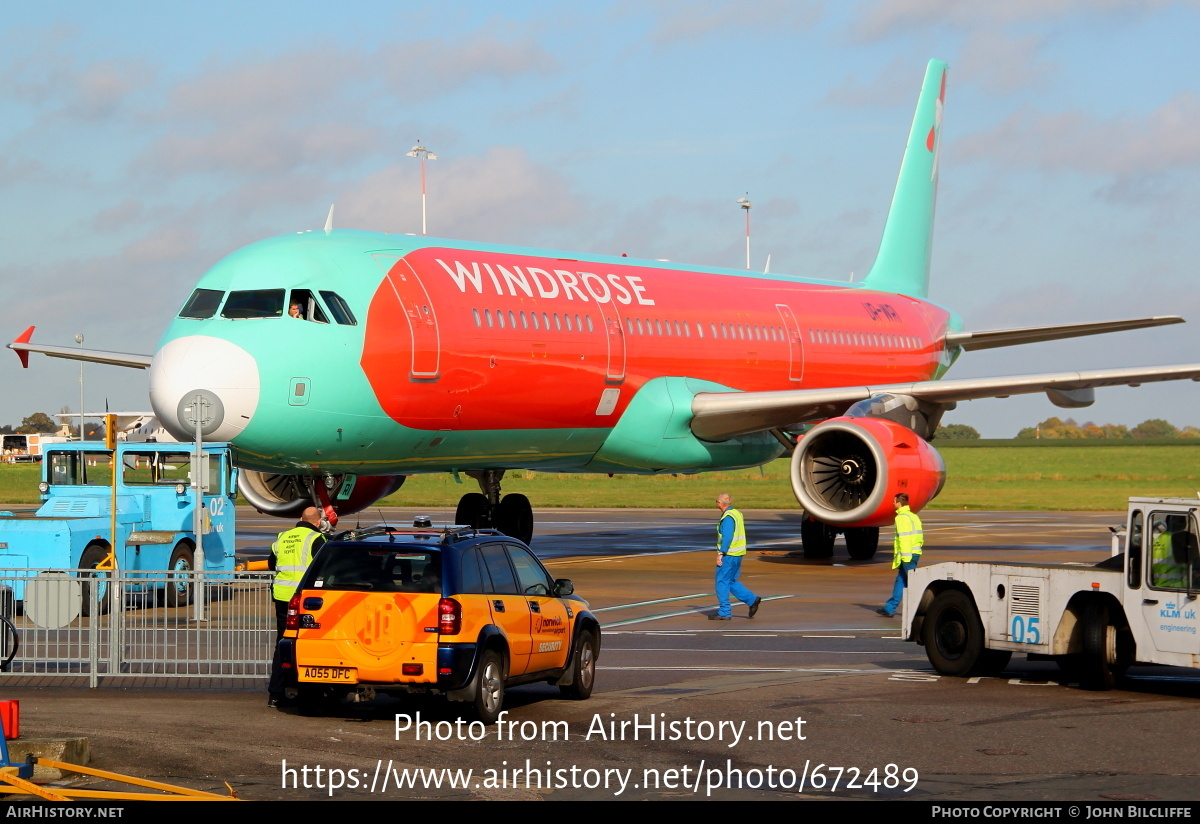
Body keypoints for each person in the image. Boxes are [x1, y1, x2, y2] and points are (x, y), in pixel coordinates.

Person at [267, 506, 328, 707]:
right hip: (305, 601)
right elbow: (325, 567)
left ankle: (276, 694)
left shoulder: (282, 537)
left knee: (283, 644)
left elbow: (271, 564)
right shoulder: (316, 539)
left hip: (282, 597)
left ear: (300, 518)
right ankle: (304, 691)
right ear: (318, 522)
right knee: (308, 644)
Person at [711, 493, 761, 620]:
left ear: (720, 504)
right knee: (731, 581)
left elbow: (727, 537)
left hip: (729, 555)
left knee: (721, 582)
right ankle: (752, 599)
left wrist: (721, 553)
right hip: (738, 554)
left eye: (716, 501)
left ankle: (724, 612)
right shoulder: (737, 513)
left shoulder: (728, 517)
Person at [877, 493, 923, 617]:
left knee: (914, 583)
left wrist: (905, 557)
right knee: (900, 581)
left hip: (907, 556)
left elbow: (904, 539)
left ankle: (923, 609)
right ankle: (889, 608)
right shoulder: (914, 516)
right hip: (915, 553)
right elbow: (920, 537)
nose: (893, 503)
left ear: (899, 503)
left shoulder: (901, 518)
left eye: (894, 501)